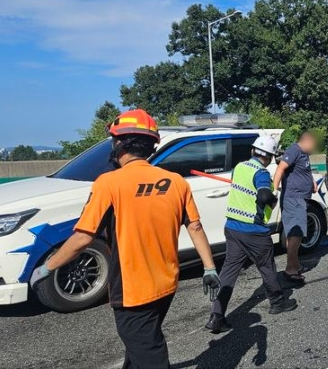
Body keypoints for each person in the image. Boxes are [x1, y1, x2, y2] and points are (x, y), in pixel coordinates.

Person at [30, 109, 221, 369]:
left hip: (132, 289)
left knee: (148, 350)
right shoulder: (176, 182)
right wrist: (209, 267)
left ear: (118, 143)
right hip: (165, 281)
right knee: (141, 341)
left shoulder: (109, 183)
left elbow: (83, 237)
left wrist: (46, 268)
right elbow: (195, 227)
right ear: (152, 146)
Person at [206, 135, 297, 333]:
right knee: (266, 267)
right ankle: (278, 302)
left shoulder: (239, 167)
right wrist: (272, 199)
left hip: (232, 227)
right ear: (270, 157)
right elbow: (264, 194)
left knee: (229, 271)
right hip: (254, 231)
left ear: (253, 151)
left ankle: (216, 316)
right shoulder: (261, 173)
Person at [273, 132, 318, 283]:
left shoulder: (303, 154)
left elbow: (303, 170)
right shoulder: (294, 150)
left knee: (293, 233)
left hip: (300, 198)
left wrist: (312, 182)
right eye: (313, 144)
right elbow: (280, 169)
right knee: (296, 233)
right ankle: (290, 269)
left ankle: (294, 264)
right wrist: (274, 189)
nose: (314, 148)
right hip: (293, 199)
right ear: (306, 141)